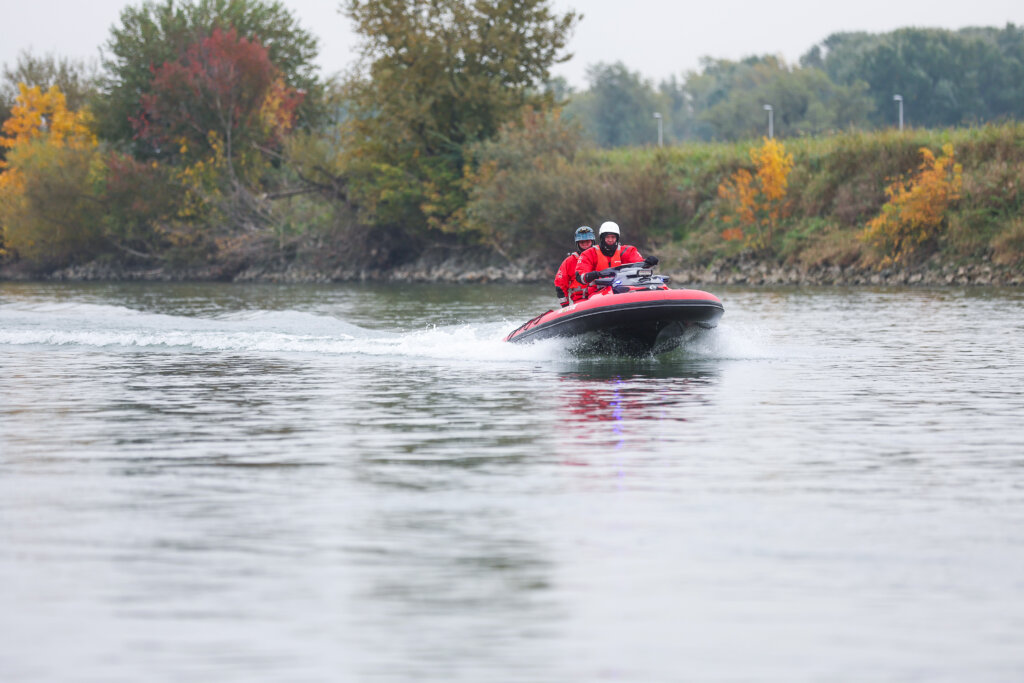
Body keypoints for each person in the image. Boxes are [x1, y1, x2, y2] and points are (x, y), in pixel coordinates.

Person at [575, 221, 655, 297]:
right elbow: (580, 276)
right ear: (602, 238)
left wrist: (648, 262)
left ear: (617, 238)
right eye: (607, 237)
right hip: (598, 292)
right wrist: (593, 275)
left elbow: (640, 264)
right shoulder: (589, 254)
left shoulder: (627, 251)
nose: (610, 240)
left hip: (622, 290)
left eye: (613, 237)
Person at [553, 226, 595, 307]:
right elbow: (560, 285)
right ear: (578, 243)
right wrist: (565, 306)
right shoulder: (569, 261)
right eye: (582, 242)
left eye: (587, 242)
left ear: (592, 241)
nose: (585, 245)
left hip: (600, 298)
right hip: (580, 301)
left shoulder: (599, 256)